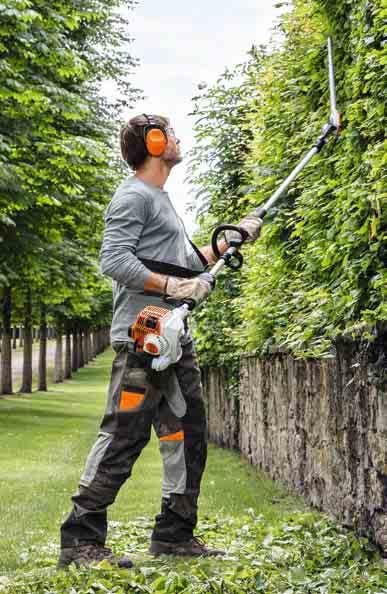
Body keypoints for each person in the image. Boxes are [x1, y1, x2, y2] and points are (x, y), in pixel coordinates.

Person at [58, 114, 262, 569]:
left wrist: (227, 242)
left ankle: (174, 534)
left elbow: (187, 266)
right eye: (169, 133)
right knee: (123, 437)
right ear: (153, 141)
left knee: (187, 435)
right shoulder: (133, 195)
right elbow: (114, 259)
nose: (176, 139)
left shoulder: (160, 200)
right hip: (143, 339)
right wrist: (173, 289)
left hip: (173, 341)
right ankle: (80, 540)